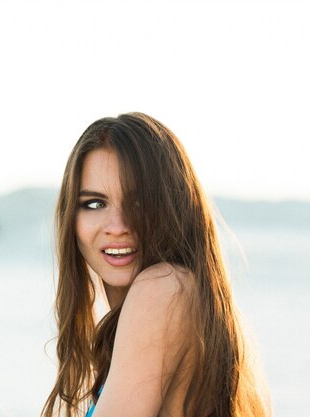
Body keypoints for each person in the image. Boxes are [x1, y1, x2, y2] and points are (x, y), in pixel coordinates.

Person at [41, 113, 270, 417]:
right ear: (72, 216)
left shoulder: (163, 289)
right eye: (95, 203)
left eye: (138, 202)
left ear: (172, 206)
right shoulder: (184, 293)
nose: (118, 225)